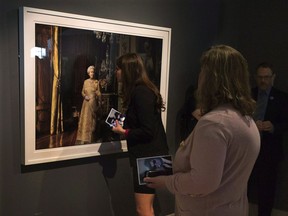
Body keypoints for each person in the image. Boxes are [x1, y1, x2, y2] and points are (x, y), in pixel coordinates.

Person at [144, 45, 261, 216]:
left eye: (203, 71)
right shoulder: (246, 120)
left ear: (212, 78)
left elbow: (202, 182)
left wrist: (167, 182)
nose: (199, 76)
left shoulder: (214, 123)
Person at [111, 53, 169, 216]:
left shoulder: (140, 92)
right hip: (151, 156)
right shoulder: (142, 91)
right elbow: (144, 122)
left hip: (148, 158)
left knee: (142, 208)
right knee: (147, 207)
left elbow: (148, 130)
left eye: (118, 69)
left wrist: (124, 131)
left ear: (127, 70)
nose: (116, 72)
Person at [249, 62, 288, 216]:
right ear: (255, 77)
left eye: (266, 77)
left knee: (267, 191)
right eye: (260, 77)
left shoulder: (282, 98)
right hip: (247, 148)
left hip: (270, 151)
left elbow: (286, 123)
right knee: (241, 184)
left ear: (273, 77)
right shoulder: (248, 95)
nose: (263, 81)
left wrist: (273, 127)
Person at [76, 65, 101, 144]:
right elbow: (82, 92)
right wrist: (85, 96)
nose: (92, 74)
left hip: (93, 102)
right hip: (86, 103)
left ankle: (92, 137)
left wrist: (100, 101)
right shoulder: (85, 82)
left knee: (92, 119)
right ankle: (84, 137)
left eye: (93, 72)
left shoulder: (96, 82)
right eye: (90, 72)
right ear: (88, 73)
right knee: (85, 119)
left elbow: (99, 93)